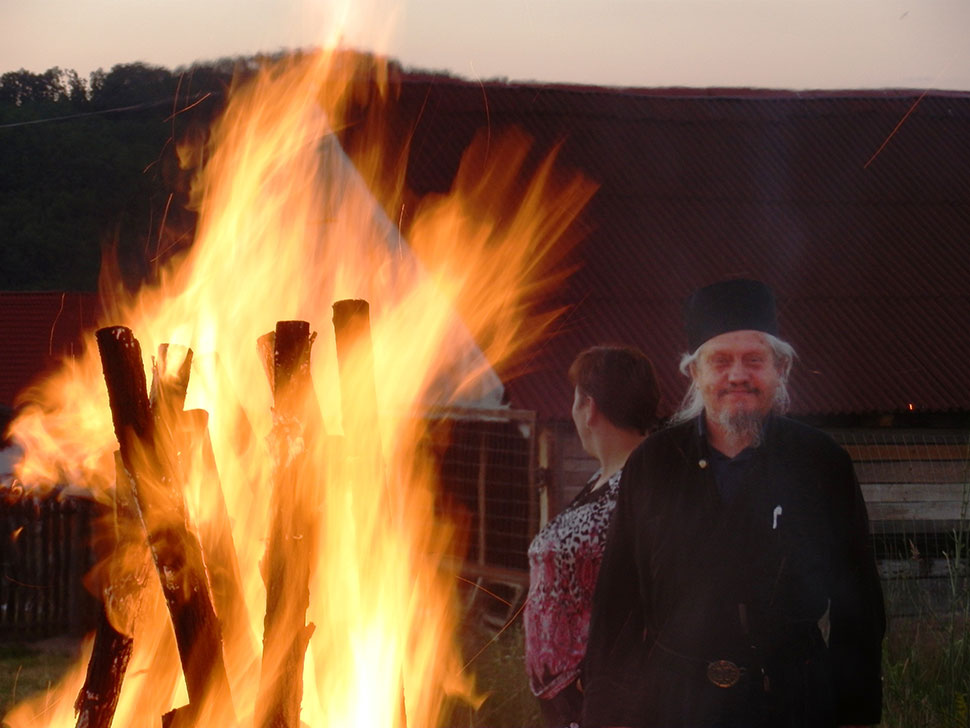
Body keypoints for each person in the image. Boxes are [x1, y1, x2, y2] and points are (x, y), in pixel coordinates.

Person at [582, 279, 885, 728]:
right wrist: (605, 714)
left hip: (792, 703)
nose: (738, 375)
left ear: (779, 368)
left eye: (754, 360)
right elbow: (618, 603)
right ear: (694, 373)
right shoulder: (655, 463)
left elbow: (857, 603)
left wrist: (855, 713)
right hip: (675, 706)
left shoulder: (821, 463)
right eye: (720, 361)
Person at [525, 345, 661, 728]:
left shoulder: (642, 485)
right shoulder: (601, 480)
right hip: (570, 700)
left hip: (604, 702)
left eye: (575, 399)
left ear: (590, 406)